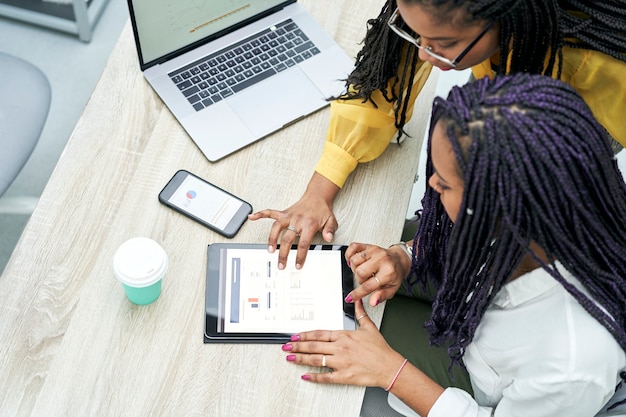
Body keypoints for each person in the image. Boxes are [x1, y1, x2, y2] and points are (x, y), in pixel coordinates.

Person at [279, 73, 626, 416]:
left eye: (443, 183)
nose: (430, 184)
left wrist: (390, 371)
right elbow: (461, 252)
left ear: (495, 206)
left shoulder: (575, 362)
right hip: (464, 316)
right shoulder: (540, 212)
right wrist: (407, 256)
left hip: (470, 389)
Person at [248, 0, 626, 270]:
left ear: (507, 18)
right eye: (416, 34)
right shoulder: (440, 10)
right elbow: (385, 81)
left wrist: (415, 253)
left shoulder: (597, 68)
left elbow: (540, 205)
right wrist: (319, 192)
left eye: (443, 44)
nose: (425, 55)